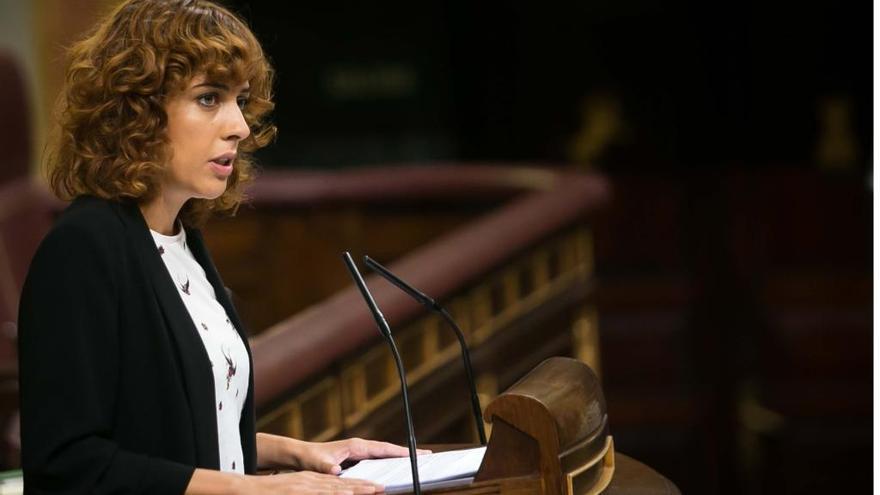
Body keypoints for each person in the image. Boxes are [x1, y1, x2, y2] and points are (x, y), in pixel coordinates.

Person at [17, 1, 417, 493]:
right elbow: (68, 463)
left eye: (240, 101)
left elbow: (173, 436)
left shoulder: (183, 238)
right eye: (209, 98)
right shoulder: (83, 249)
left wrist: (301, 453)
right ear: (135, 109)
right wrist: (262, 488)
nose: (239, 126)